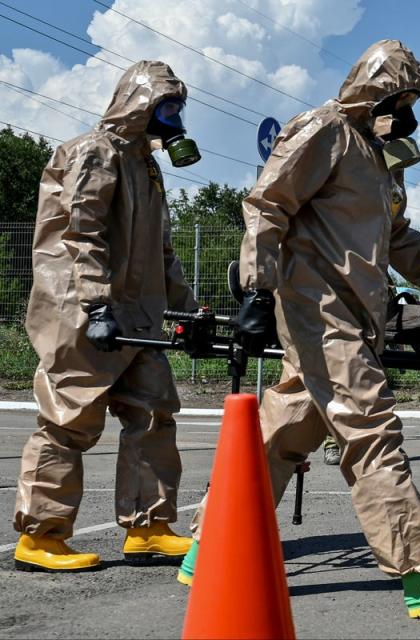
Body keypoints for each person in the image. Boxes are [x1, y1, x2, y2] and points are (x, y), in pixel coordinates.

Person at [180, 40, 420, 618]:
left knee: (283, 434)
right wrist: (257, 290)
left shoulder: (375, 159)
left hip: (354, 312)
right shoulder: (322, 131)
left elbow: (397, 238)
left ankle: (208, 546)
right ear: (374, 88)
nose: (407, 112)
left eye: (411, 101)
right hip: (317, 307)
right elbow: (267, 205)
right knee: (370, 428)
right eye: (400, 98)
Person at [13, 60, 201, 572]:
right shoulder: (93, 152)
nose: (175, 117)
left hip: (138, 320)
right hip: (84, 315)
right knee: (68, 422)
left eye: (179, 107)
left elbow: (161, 249)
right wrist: (96, 304)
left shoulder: (146, 165)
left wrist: (187, 306)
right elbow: (81, 234)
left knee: (155, 415)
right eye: (167, 106)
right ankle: (41, 536)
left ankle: (150, 527)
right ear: (139, 104)